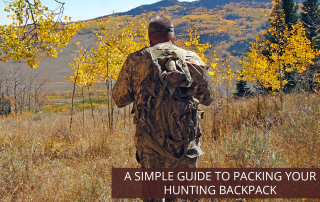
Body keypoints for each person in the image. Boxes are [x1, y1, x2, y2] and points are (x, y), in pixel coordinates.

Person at [112, 15, 214, 201]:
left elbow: (119, 99)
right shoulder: (191, 58)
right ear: (173, 37)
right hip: (185, 144)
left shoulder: (135, 60)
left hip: (150, 144)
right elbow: (208, 98)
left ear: (150, 38)